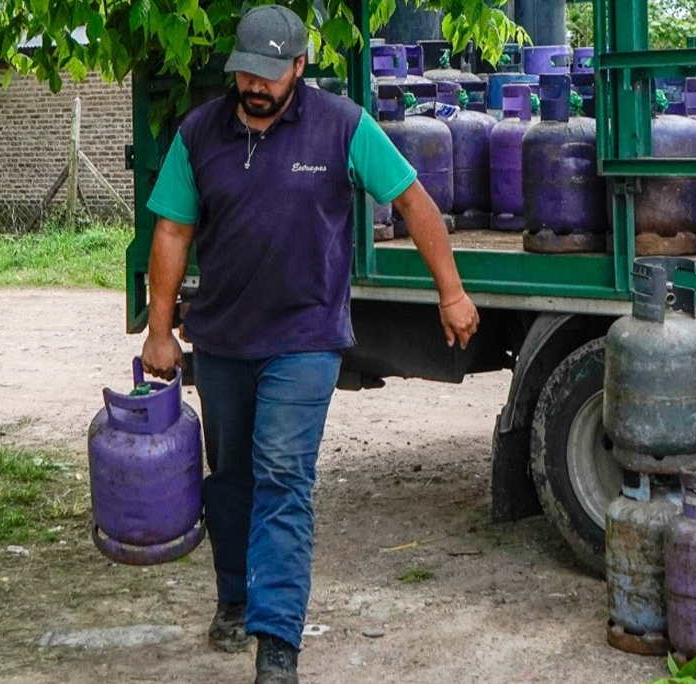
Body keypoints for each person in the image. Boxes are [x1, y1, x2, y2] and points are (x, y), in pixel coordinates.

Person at [139, 6, 480, 683]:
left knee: (284, 476)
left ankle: (277, 645)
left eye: (270, 74)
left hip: (306, 336)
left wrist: (452, 291)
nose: (255, 86)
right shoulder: (199, 131)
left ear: (299, 67)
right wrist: (157, 331)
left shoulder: (342, 125)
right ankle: (234, 598)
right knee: (231, 477)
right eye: (246, 73)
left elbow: (413, 201)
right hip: (224, 336)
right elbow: (172, 231)